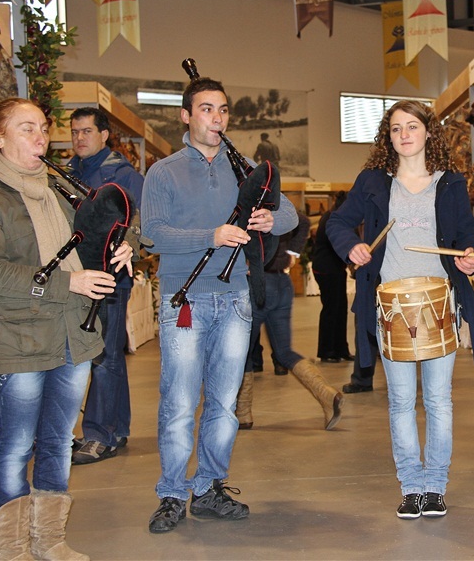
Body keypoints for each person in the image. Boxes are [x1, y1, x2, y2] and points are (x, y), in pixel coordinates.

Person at [0, 97, 133, 560]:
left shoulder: (54, 193)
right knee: (15, 446)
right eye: (26, 128)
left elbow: (90, 240)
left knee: (56, 442)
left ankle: (50, 540)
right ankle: (10, 548)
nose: (40, 138)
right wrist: (70, 281)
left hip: (71, 335)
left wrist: (119, 248)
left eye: (42, 128)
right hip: (17, 340)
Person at [141, 77, 298, 534]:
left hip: (235, 300)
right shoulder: (164, 172)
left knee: (224, 405)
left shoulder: (243, 167)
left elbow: (287, 212)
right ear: (186, 116)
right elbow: (151, 234)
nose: (217, 118)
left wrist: (271, 216)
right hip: (185, 299)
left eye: (223, 109)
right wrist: (209, 236)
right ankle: (171, 493)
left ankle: (208, 487)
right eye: (206, 109)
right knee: (179, 402)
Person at [326, 100, 474, 519]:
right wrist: (352, 247)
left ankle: (436, 486)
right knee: (399, 401)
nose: (405, 135)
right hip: (390, 304)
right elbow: (336, 223)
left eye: (412, 126)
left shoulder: (450, 183)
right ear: (388, 136)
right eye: (396, 129)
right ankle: (411, 486)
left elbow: (468, 235)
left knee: (438, 401)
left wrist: (470, 257)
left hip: (438, 303)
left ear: (428, 131)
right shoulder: (374, 182)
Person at [68, 107, 145, 465]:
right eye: (74, 132)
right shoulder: (67, 173)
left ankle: (100, 435)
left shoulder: (123, 175)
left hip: (111, 277)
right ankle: (118, 426)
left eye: (86, 131)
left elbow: (141, 221)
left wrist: (131, 243)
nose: (79, 138)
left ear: (104, 135)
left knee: (104, 355)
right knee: (106, 354)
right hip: (76, 278)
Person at [237, 210, 344, 430]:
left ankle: (243, 413)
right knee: (284, 352)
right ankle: (326, 394)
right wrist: (292, 251)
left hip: (257, 284)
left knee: (243, 349)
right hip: (281, 283)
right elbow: (303, 220)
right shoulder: (279, 205)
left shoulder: (250, 204)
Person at [311, 191, 354, 363]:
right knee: (331, 310)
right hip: (326, 270)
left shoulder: (334, 218)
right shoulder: (331, 219)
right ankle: (327, 351)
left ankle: (341, 349)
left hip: (335, 270)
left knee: (340, 309)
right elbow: (337, 245)